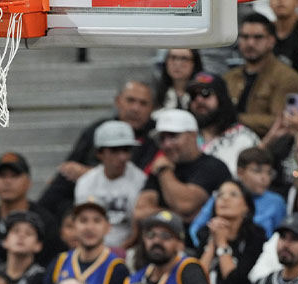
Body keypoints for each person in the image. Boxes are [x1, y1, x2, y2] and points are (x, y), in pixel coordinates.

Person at [38, 80, 158, 220]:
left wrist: (90, 174)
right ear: (118, 101)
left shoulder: (157, 137)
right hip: (86, 198)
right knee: (57, 190)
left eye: (143, 103)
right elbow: (70, 167)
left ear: (153, 109)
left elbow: (141, 177)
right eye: (130, 101)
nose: (135, 108)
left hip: (132, 202)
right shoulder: (98, 129)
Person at [39, 198, 129, 284]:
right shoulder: (58, 262)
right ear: (74, 226)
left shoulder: (116, 269)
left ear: (107, 227)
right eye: (83, 220)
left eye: (97, 221)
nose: (89, 227)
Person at [132, 110, 232, 225]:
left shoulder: (213, 167)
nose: (167, 144)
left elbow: (183, 204)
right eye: (162, 138)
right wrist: (176, 215)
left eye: (173, 136)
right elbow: (139, 213)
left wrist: (165, 172)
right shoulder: (160, 166)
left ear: (193, 135)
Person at [0, 152, 61, 274]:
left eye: (14, 176)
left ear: (28, 182)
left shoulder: (45, 221)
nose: (7, 181)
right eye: (2, 175)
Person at [225, 13, 298, 137]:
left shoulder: (287, 78)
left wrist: (235, 119)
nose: (250, 43)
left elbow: (281, 121)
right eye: (245, 37)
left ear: (271, 41)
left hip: (267, 148)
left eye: (258, 37)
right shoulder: (229, 77)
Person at [71, 122, 146, 250]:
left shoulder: (141, 181)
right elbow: (81, 224)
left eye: (126, 150)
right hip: (91, 248)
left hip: (128, 250)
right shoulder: (86, 182)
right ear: (99, 153)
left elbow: (137, 231)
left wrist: (117, 252)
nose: (122, 157)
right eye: (115, 151)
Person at [190, 146, 287, 242]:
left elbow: (281, 237)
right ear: (240, 172)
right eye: (258, 171)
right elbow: (195, 229)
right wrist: (206, 247)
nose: (265, 178)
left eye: (269, 173)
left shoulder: (276, 202)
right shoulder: (222, 195)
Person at [125, 210, 212, 284]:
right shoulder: (134, 280)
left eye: (165, 236)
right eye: (151, 235)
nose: (156, 241)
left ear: (180, 244)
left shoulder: (189, 270)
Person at [195, 179, 267, 284]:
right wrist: (212, 243)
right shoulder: (205, 233)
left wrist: (222, 244)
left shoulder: (255, 237)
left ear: (246, 207)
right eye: (220, 195)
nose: (225, 198)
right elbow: (196, 281)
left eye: (233, 194)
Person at [189, 72, 262, 171]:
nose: (199, 99)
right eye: (193, 95)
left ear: (221, 97)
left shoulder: (243, 137)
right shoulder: (185, 136)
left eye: (205, 93)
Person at [0, 211, 46, 284]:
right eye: (15, 231)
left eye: (29, 233)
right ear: (5, 241)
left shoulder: (44, 279)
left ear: (38, 245)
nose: (21, 236)